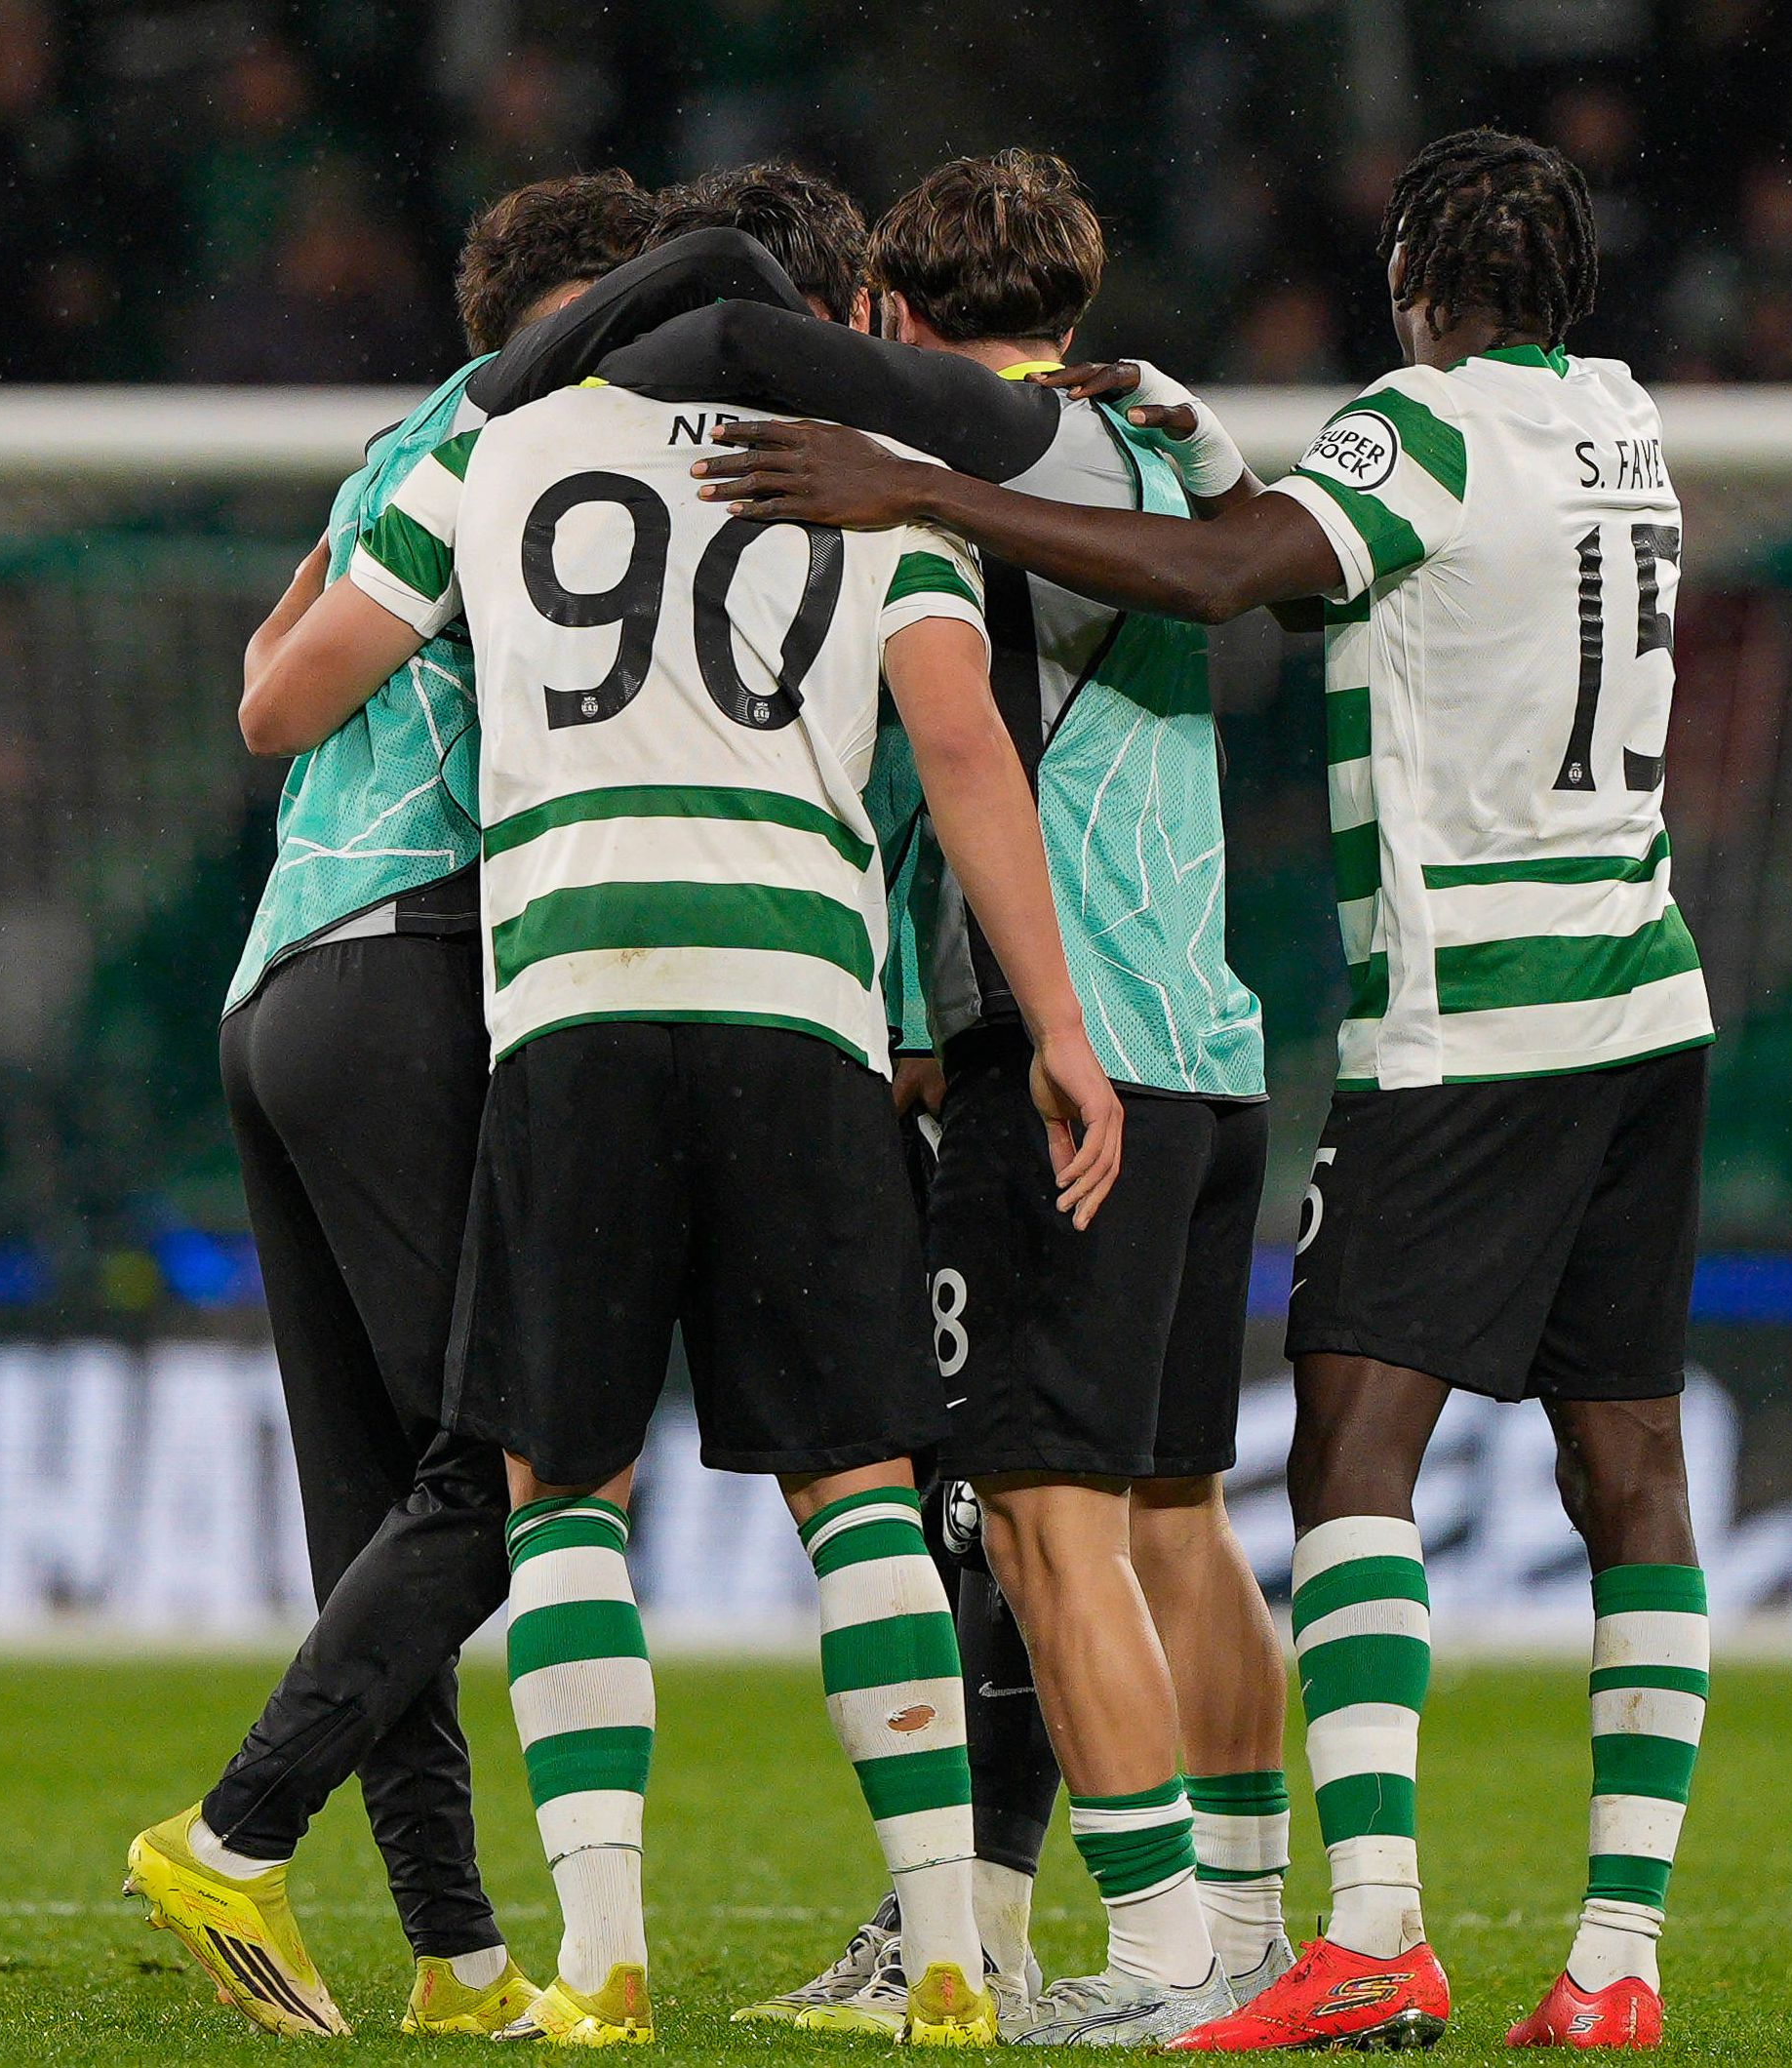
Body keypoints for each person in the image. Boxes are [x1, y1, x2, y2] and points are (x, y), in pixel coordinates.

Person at [697, 129, 1717, 2053]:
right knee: (1534, 1480)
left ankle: (1239, 1938)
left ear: (1417, 278)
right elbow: (1250, 530)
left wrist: (907, 479)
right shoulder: (1616, 420)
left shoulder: (1386, 431)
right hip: (1570, 1000)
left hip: (1322, 1021)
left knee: (1146, 1498)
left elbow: (1232, 578)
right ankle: (1580, 1954)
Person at [228, 159, 1125, 2049]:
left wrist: (336, 555)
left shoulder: (503, 454)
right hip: (797, 996)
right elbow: (959, 747)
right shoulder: (865, 475)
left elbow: (291, 699)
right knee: (859, 1486)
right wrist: (1052, 1022)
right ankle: (957, 1948)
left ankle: (602, 1958)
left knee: (567, 1489)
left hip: (575, 999)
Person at [495, 149, 1294, 2046]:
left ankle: (1170, 1948)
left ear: (894, 320)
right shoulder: (1162, 431)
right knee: (1174, 1515)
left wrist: (529, 378)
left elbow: (723, 341)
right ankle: (1249, 1925)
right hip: (1213, 1035)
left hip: (1072, 1044)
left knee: (1033, 1517)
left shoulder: (977, 442)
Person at [118, 170, 657, 2044]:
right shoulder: (534, 439)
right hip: (417, 963)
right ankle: (236, 1828)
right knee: (525, 1460)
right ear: (573, 309)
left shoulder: (399, 448)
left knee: (382, 1508)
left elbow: (265, 698)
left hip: (280, 983)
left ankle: (458, 1957)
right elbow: (297, 704)